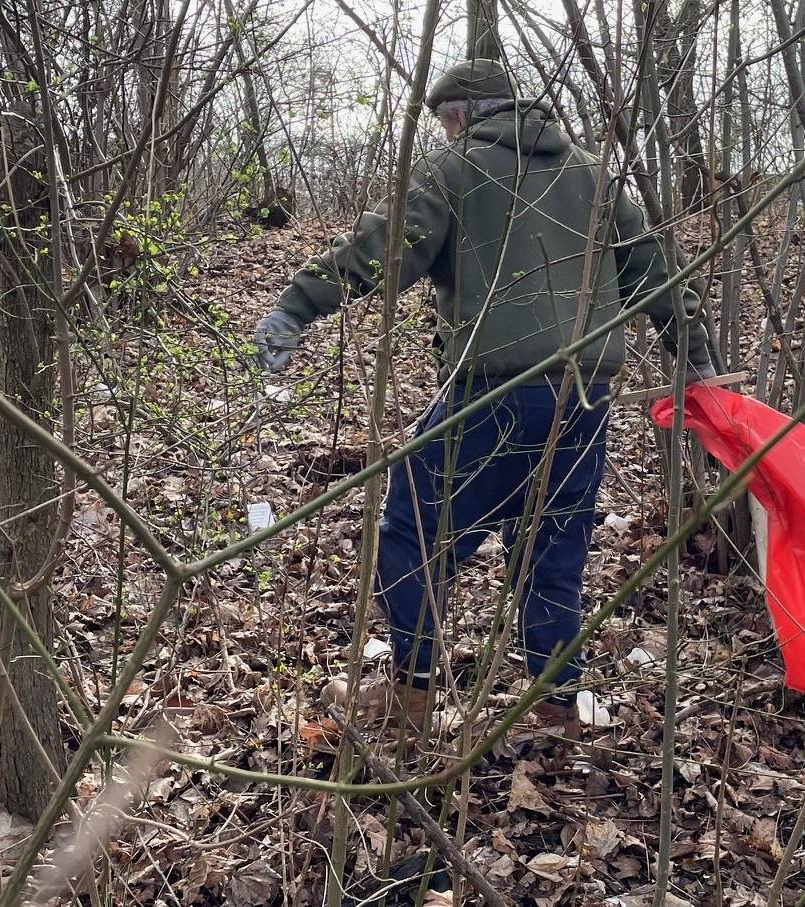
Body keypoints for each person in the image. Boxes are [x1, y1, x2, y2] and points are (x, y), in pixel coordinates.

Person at [252, 59, 718, 738]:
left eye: (446, 124)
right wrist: (696, 355)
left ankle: (412, 695)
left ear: (464, 117)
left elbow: (383, 249)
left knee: (412, 532)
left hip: (491, 393)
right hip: (583, 395)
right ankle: (558, 702)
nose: (445, 135)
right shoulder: (591, 172)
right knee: (552, 547)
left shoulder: (456, 169)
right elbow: (654, 268)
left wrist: (297, 306)